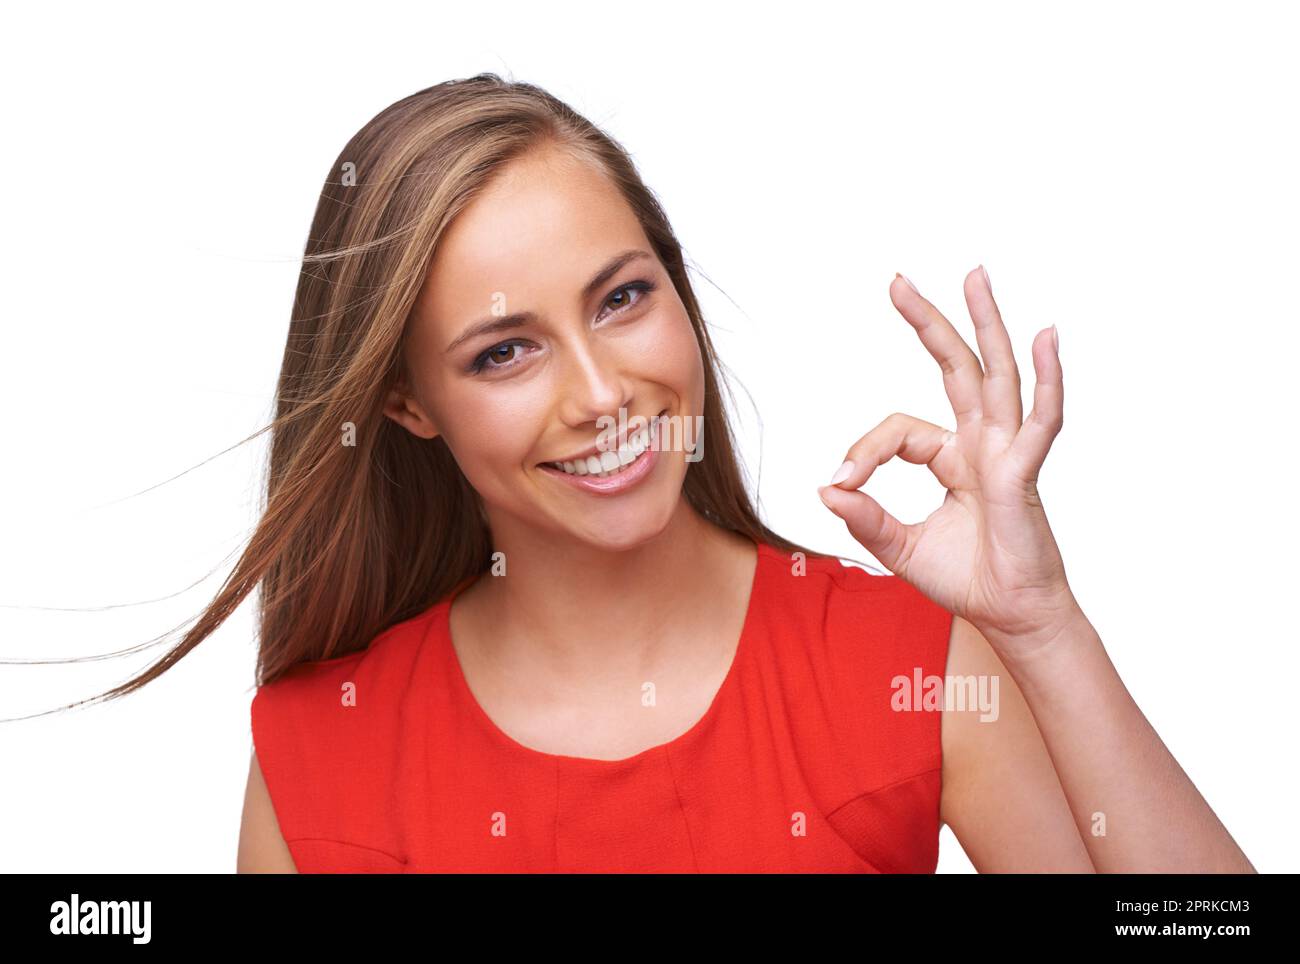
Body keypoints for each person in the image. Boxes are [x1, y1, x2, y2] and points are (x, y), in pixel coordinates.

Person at [154, 73, 1246, 873]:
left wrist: (1044, 628)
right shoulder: (326, 751)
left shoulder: (900, 666)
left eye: (620, 297)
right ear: (404, 405)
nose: (600, 392)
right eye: (503, 351)